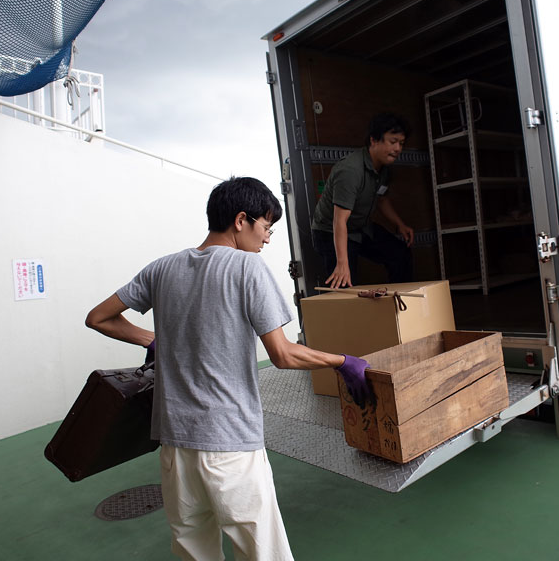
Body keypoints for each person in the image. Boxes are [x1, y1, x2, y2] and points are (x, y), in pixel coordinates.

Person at [85, 176, 371, 561]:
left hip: (174, 446)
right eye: (266, 227)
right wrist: (342, 362)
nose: (267, 239)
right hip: (229, 445)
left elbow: (99, 318)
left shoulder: (162, 269)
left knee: (193, 549)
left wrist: (153, 341)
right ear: (241, 220)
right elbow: (283, 354)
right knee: (262, 553)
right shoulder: (247, 269)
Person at [311, 112, 415, 288]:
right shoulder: (350, 171)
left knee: (400, 254)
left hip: (360, 227)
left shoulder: (384, 167)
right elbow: (339, 220)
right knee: (344, 283)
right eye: (393, 142)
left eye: (401, 143)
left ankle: (400, 307)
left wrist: (400, 224)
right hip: (331, 232)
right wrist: (342, 263)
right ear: (374, 140)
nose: (398, 148)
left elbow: (381, 198)